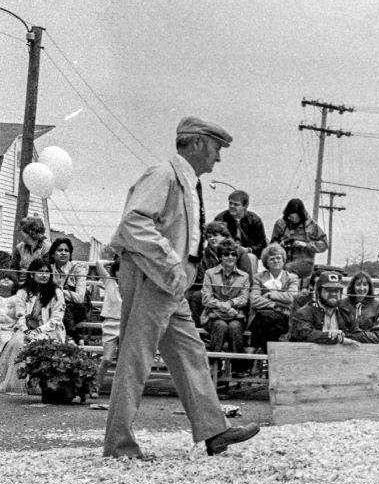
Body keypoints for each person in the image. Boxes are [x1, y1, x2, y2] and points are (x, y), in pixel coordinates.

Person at [103, 117, 259, 460]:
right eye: (217, 148)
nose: (218, 158)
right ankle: (119, 445)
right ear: (198, 143)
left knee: (190, 353)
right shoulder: (164, 175)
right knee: (136, 360)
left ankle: (214, 430)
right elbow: (134, 221)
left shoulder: (185, 181)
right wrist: (171, 262)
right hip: (153, 276)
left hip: (170, 282)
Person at [0, 258, 67, 393]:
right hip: (27, 328)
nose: (44, 275)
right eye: (40, 271)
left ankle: (40, 385)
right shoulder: (23, 292)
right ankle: (19, 384)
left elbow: (56, 319)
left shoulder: (56, 292)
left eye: (47, 272)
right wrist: (26, 331)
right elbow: (20, 316)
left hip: (50, 329)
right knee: (18, 342)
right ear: (32, 274)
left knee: (42, 342)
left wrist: (39, 330)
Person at [200, 237, 252, 384]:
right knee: (220, 326)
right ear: (220, 257)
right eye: (226, 254)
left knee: (235, 327)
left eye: (233, 254)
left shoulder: (244, 276)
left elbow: (244, 298)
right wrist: (222, 307)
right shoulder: (210, 273)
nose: (230, 257)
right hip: (213, 315)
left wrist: (230, 304)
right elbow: (206, 298)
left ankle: (238, 368)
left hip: (235, 315)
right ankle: (215, 367)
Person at [249, 243, 300, 352]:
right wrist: (276, 305)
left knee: (264, 322)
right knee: (266, 320)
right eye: (272, 259)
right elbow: (254, 300)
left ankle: (260, 356)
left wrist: (270, 294)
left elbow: (291, 297)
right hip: (264, 316)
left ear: (283, 260)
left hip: (284, 317)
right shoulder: (259, 277)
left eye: (278, 258)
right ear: (266, 262)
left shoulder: (292, 278)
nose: (276, 261)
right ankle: (270, 357)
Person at [290, 270, 358, 345]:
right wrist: (334, 337)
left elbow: (357, 334)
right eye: (328, 290)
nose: (333, 294)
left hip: (341, 355)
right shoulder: (304, 312)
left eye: (336, 290)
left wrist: (344, 336)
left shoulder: (346, 313)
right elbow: (304, 334)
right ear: (319, 292)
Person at [270, 198, 327, 287]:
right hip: (283, 260)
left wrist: (306, 245)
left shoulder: (310, 225)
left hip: (304, 262)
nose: (294, 220)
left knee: (287, 270)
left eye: (296, 217)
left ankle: (287, 294)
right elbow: (272, 244)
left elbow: (324, 244)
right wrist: (279, 246)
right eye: (291, 217)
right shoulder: (280, 224)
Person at [92, 252, 122, 399]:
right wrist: (114, 260)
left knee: (124, 361)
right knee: (107, 359)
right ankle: (95, 386)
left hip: (128, 325)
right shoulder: (109, 282)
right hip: (111, 323)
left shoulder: (135, 287)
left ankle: (121, 391)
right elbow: (98, 263)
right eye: (119, 269)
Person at [48, 236, 90, 341]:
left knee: (63, 308)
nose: (63, 253)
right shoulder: (48, 269)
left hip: (77, 308)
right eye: (59, 250)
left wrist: (59, 291)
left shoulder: (78, 269)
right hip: (54, 305)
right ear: (53, 254)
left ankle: (72, 336)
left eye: (66, 250)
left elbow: (80, 298)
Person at [213, 189, 268, 259]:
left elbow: (262, 245)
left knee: (251, 257)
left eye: (236, 204)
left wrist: (248, 250)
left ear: (245, 206)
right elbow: (213, 242)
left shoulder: (254, 220)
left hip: (246, 254)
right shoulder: (220, 219)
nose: (232, 206)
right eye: (230, 203)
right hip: (225, 255)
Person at [338, 272, 379, 344]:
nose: (362, 288)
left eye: (365, 285)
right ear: (353, 286)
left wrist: (355, 335)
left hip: (368, 347)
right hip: (346, 345)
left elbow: (377, 336)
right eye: (358, 285)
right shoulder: (342, 304)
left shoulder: (377, 305)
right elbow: (340, 332)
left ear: (369, 286)